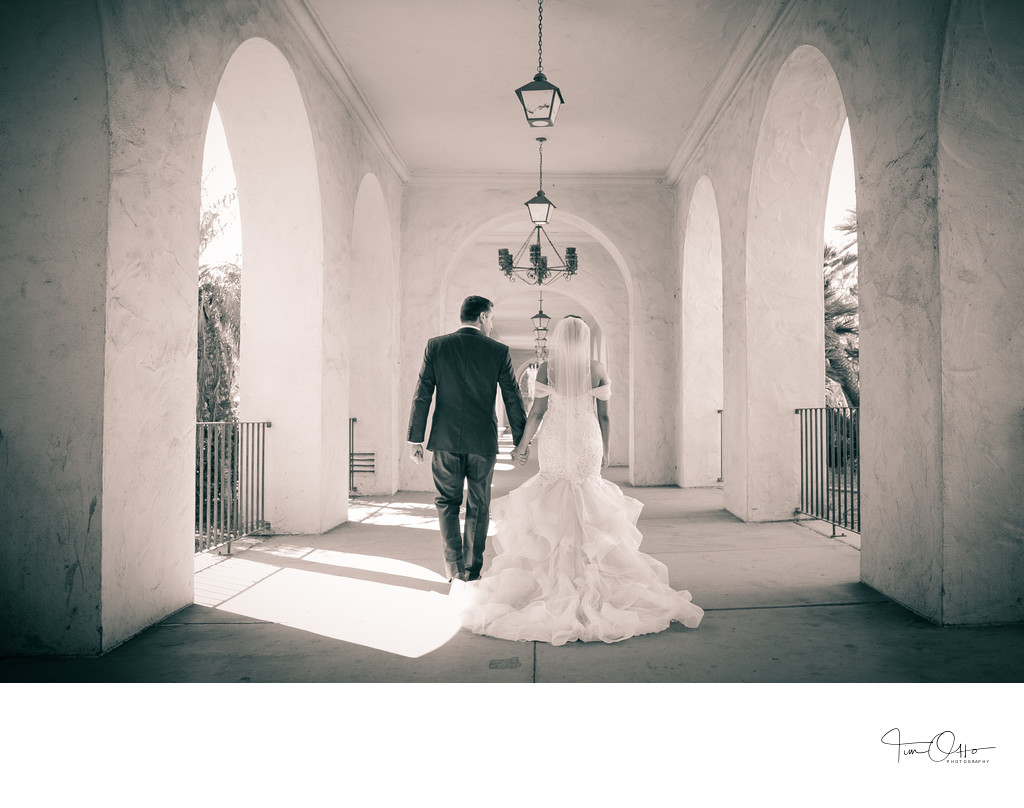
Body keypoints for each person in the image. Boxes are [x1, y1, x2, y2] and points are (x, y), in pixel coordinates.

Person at [460, 315, 703, 644]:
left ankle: (549, 578)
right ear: (584, 340)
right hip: (587, 439)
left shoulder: (548, 368)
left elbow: (537, 412)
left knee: (551, 498)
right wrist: (606, 448)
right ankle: (594, 574)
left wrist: (522, 446)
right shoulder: (597, 368)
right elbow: (604, 413)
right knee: (589, 497)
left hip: (556, 440)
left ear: (560, 339)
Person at [408, 295, 527, 582]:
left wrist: (416, 438)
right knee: (478, 504)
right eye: (491, 319)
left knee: (446, 503)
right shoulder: (497, 351)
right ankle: (472, 571)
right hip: (482, 441)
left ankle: (454, 570)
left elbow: (423, 394)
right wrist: (522, 442)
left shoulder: (436, 346)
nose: (491, 324)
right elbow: (512, 398)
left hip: (444, 440)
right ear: (483, 317)